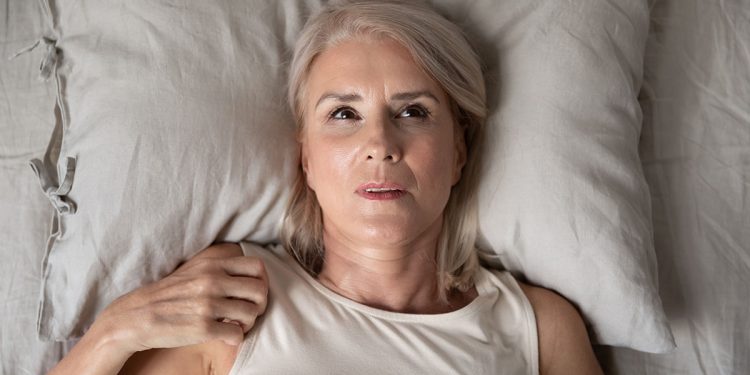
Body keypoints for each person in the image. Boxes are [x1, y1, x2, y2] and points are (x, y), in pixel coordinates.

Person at [50, 1, 603, 374]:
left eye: (412, 110)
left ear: (458, 152)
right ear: (306, 160)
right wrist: (114, 332)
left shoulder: (540, 329)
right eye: (343, 114)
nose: (380, 143)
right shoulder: (234, 299)